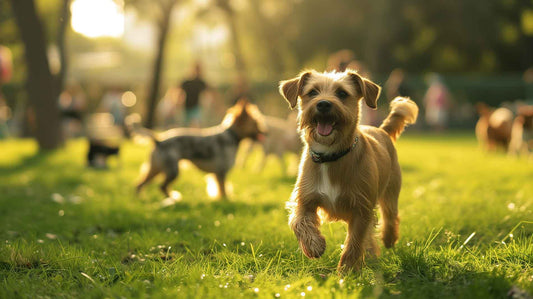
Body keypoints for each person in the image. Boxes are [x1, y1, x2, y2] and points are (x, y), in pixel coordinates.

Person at [178, 62, 208, 127]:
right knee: (186, 126)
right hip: (186, 108)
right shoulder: (186, 82)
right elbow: (178, 92)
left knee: (196, 124)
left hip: (196, 108)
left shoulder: (201, 82)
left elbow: (209, 93)